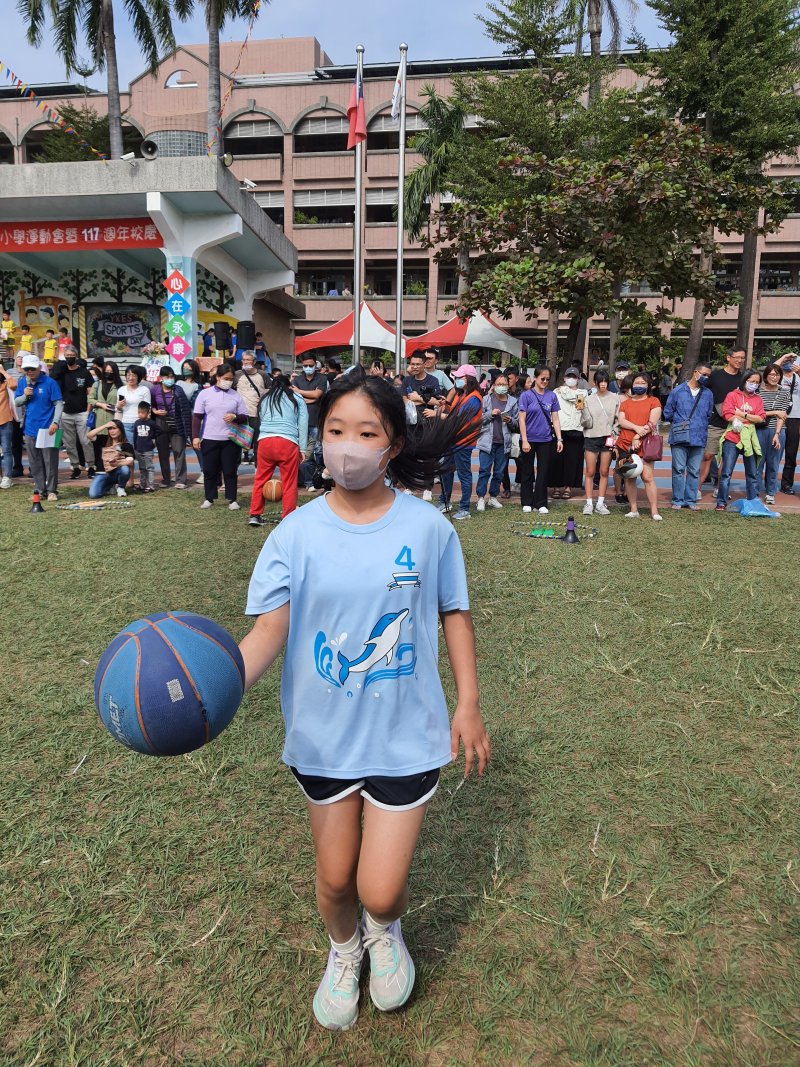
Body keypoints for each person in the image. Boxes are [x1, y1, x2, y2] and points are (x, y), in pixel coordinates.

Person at [239, 368, 490, 1032]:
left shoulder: (429, 528)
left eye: (367, 433)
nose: (348, 446)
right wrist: (221, 686)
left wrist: (467, 703)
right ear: (318, 437)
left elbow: (454, 611)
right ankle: (344, 949)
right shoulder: (294, 533)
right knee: (333, 879)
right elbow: (267, 631)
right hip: (323, 737)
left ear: (394, 444)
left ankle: (384, 930)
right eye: (335, 430)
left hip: (406, 734)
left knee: (379, 888)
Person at [248, 373, 308, 525]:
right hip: (287, 442)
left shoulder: (265, 398)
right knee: (289, 481)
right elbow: (303, 423)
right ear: (289, 385)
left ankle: (254, 514)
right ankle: (287, 515)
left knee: (260, 479)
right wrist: (302, 448)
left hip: (265, 442)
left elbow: (261, 420)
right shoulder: (296, 397)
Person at [192, 362, 249, 510]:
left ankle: (232, 499)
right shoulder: (204, 394)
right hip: (209, 438)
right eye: (225, 378)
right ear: (217, 377)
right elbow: (197, 417)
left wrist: (235, 416)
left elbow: (244, 416)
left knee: (230, 470)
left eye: (231, 379)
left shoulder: (235, 395)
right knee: (209, 470)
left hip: (230, 439)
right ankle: (209, 498)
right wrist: (195, 436)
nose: (228, 381)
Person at [663, 361, 714, 510]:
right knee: (678, 469)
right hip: (679, 436)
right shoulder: (678, 391)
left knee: (694, 470)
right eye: (703, 374)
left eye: (708, 375)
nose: (705, 377)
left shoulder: (708, 393)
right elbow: (668, 412)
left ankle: (691, 500)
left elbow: (708, 413)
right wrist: (680, 423)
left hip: (699, 436)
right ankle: (678, 500)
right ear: (695, 372)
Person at [14, 352, 63, 501]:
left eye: (32, 369)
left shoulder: (50, 382)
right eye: (26, 369)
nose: (29, 372)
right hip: (30, 428)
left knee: (50, 461)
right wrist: (25, 396)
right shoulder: (23, 382)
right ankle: (41, 490)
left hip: (49, 429)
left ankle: (52, 490)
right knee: (34, 461)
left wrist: (55, 422)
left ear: (39, 368)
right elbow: (17, 402)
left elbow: (58, 404)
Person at [716, 368, 766, 511]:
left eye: (756, 382)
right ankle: (721, 502)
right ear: (744, 381)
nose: (754, 384)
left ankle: (752, 501)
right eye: (751, 381)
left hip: (749, 440)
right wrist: (750, 417)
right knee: (726, 472)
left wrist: (741, 414)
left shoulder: (757, 399)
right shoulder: (732, 395)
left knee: (752, 473)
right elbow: (727, 415)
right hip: (732, 438)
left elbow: (761, 418)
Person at [437, 364, 482, 520]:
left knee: (464, 474)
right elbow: (455, 412)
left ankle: (464, 508)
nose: (456, 379)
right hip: (453, 439)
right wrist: (446, 405)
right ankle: (445, 501)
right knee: (446, 470)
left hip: (464, 442)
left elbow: (459, 418)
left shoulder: (474, 398)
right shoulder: (461, 394)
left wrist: (439, 415)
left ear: (468, 379)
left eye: (459, 377)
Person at [616, 372, 663, 520]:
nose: (640, 385)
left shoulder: (654, 401)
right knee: (629, 477)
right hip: (626, 444)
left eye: (643, 383)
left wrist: (637, 436)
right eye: (637, 383)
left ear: (648, 385)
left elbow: (652, 423)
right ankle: (633, 509)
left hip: (646, 444)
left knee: (647, 477)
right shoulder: (625, 403)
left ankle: (654, 511)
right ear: (632, 384)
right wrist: (636, 429)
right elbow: (622, 421)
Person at [699, 348, 746, 495]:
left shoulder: (743, 379)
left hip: (734, 425)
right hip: (715, 423)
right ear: (728, 358)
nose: (739, 360)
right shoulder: (715, 376)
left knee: (727, 459)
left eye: (742, 358)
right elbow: (701, 392)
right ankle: (696, 489)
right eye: (737, 357)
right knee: (707, 456)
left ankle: (720, 489)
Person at [517, 365, 563, 514]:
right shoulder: (526, 396)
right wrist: (524, 440)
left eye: (547, 379)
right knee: (527, 470)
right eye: (542, 378)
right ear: (535, 378)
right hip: (529, 438)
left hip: (546, 439)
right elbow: (521, 419)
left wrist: (559, 439)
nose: (545, 381)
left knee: (543, 472)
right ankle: (527, 501)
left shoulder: (552, 396)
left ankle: (541, 502)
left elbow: (555, 418)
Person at [475, 374, 518, 511]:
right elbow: (478, 420)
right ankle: (480, 498)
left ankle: (493, 497)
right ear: (493, 385)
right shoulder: (486, 400)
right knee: (484, 471)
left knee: (499, 473)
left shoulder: (513, 402)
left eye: (504, 384)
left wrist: (510, 420)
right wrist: (490, 414)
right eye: (499, 384)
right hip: (487, 442)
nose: (501, 387)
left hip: (503, 443)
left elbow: (517, 423)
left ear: (508, 386)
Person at [51, 345, 95, 479]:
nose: (69, 358)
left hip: (82, 412)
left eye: (72, 355)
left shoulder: (84, 372)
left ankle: (91, 466)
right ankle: (75, 467)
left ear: (76, 356)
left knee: (86, 441)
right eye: (67, 356)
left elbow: (90, 392)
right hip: (65, 413)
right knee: (69, 444)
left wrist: (88, 410)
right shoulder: (61, 372)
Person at [580, 369, 620, 515]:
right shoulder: (588, 399)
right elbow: (585, 423)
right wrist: (582, 410)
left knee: (604, 471)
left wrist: (615, 435)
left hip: (608, 437)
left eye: (605, 381)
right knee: (590, 471)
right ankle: (589, 503)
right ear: (594, 383)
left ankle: (601, 503)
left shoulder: (615, 398)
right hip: (591, 436)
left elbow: (617, 420)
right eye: (600, 381)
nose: (603, 384)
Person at [150, 365, 191, 488]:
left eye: (172, 376)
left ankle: (181, 480)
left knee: (179, 451)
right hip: (160, 423)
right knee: (163, 453)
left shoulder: (178, 389)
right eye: (167, 377)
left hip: (176, 422)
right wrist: (155, 411)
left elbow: (185, 408)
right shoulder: (155, 390)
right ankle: (166, 479)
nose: (170, 379)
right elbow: (151, 405)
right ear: (161, 378)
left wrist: (187, 428)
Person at [756, 363, 791, 505]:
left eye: (777, 374)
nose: (774, 377)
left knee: (773, 463)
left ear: (780, 377)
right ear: (765, 376)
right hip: (758, 430)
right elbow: (756, 413)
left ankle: (770, 492)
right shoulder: (757, 392)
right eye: (771, 374)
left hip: (777, 431)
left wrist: (777, 433)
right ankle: (754, 491)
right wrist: (774, 412)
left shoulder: (784, 392)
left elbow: (782, 415)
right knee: (757, 462)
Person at [550, 368, 587, 500]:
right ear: (564, 378)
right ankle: (555, 487)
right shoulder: (556, 392)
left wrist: (564, 391)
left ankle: (568, 487)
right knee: (556, 460)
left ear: (578, 379)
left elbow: (579, 405)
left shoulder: (582, 393)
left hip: (576, 430)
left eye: (574, 376)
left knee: (572, 460)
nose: (571, 379)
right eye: (569, 376)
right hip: (558, 429)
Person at [87, 361, 122, 473]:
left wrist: (118, 406)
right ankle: (100, 471)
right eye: (107, 371)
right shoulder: (97, 384)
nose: (108, 373)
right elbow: (90, 399)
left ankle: (113, 471)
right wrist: (100, 404)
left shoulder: (120, 386)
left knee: (112, 448)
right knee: (98, 448)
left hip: (113, 420)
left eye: (111, 371)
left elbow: (122, 402)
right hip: (99, 420)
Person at [235, 351, 270, 462]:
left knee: (257, 440)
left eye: (248, 360)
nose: (245, 362)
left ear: (254, 362)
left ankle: (257, 462)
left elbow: (270, 389)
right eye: (243, 360)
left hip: (257, 413)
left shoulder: (263, 374)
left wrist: (264, 398)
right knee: (239, 440)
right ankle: (241, 459)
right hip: (241, 414)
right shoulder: (237, 374)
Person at [86, 419, 134, 498]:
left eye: (114, 428)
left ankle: (121, 487)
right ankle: (109, 487)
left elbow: (130, 461)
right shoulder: (103, 439)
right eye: (110, 429)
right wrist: (105, 426)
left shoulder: (126, 445)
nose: (112, 431)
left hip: (116, 473)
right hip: (102, 473)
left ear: (120, 429)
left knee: (125, 469)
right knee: (93, 495)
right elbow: (89, 435)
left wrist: (118, 463)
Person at [291, 356, 328, 446]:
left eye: (310, 365)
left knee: (318, 448)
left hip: (316, 420)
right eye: (305, 365)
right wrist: (314, 398)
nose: (308, 367)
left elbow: (317, 394)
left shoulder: (322, 378)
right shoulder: (297, 380)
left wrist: (299, 391)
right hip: (300, 421)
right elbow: (294, 398)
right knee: (302, 447)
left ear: (315, 365)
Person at [177, 358, 204, 479]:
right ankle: (180, 475)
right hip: (179, 418)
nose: (186, 370)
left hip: (192, 418)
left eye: (188, 368)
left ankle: (204, 471)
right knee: (179, 447)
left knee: (196, 446)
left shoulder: (197, 386)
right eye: (184, 368)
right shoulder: (178, 383)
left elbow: (195, 402)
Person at [779, 353, 800, 495]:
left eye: (792, 360)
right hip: (778, 416)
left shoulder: (798, 377)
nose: (789, 362)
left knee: (791, 453)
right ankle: (769, 482)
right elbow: (771, 368)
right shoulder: (776, 375)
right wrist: (783, 358)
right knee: (773, 452)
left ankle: (786, 484)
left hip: (795, 417)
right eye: (787, 360)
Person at [115, 366, 151, 445]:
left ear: (139, 377)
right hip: (125, 423)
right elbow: (118, 409)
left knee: (141, 447)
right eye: (128, 375)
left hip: (140, 422)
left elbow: (148, 408)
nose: (131, 378)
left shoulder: (144, 390)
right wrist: (119, 406)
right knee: (130, 448)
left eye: (134, 375)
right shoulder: (121, 390)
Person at [401, 354, 442, 418]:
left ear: (424, 364)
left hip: (427, 418)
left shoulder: (433, 380)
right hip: (410, 418)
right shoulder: (407, 380)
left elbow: (438, 402)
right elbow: (404, 400)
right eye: (412, 364)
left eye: (418, 364)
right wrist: (426, 401)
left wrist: (417, 398)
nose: (415, 367)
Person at [0, 362, 18, 488]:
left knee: (6, 449)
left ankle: (7, 477)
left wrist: (3, 371)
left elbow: (14, 385)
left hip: (5, 420)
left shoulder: (5, 383)